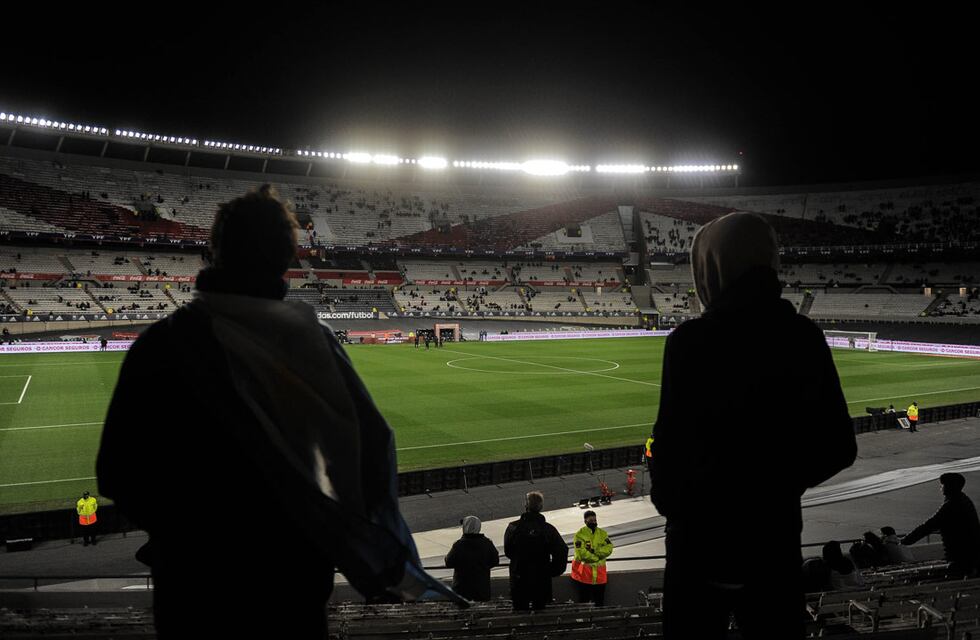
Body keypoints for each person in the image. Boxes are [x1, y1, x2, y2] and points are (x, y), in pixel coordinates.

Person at [97, 186, 454, 640]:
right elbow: (371, 451)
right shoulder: (313, 342)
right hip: (292, 583)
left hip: (192, 586)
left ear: (214, 250)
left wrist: (188, 535)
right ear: (288, 257)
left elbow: (117, 473)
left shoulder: (163, 345)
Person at [648, 212, 857, 639]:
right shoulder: (802, 337)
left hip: (698, 544)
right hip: (773, 542)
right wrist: (775, 484)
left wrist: (683, 504)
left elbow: (667, 450)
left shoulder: (691, 342)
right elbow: (839, 446)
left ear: (710, 267)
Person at [902, 472, 980, 576]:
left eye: (943, 485)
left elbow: (929, 526)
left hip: (961, 557)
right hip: (970, 555)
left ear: (949, 486)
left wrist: (905, 541)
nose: (940, 487)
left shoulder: (952, 505)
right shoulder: (963, 500)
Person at [504, 491, 568, 611]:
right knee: (540, 612)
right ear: (541, 507)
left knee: (520, 613)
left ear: (525, 505)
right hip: (541, 579)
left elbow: (508, 551)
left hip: (519, 578)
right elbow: (562, 550)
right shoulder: (549, 529)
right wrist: (552, 570)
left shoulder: (513, 527)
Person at [444, 516, 499, 601]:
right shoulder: (487, 543)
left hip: (461, 589)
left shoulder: (459, 545)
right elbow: (495, 561)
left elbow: (448, 562)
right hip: (481, 588)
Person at [570, 510, 613, 606]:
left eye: (595, 520)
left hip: (600, 577)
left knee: (599, 603)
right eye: (591, 520)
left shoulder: (602, 533)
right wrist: (598, 557)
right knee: (584, 603)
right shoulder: (579, 535)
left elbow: (609, 548)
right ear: (585, 521)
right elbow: (581, 554)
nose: (594, 522)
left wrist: (595, 551)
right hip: (584, 576)